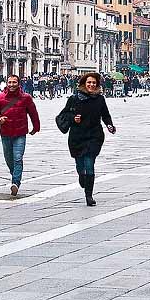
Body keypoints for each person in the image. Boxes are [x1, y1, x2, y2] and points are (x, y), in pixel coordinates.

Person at [57, 72, 116, 207]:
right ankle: (81, 174)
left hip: (94, 136)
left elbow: (105, 115)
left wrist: (109, 125)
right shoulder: (74, 98)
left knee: (90, 164)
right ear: (84, 83)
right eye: (89, 82)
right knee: (80, 164)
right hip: (77, 136)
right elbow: (64, 114)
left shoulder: (100, 99)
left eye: (94, 83)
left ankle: (89, 195)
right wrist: (73, 118)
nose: (91, 85)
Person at [0, 75, 41, 196]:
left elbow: (33, 113)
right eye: (10, 82)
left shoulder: (26, 98)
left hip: (20, 133)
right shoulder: (0, 97)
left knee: (18, 158)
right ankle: (15, 175)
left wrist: (36, 127)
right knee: (8, 159)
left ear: (18, 83)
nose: (11, 85)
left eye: (14, 82)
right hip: (5, 132)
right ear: (7, 83)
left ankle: (15, 182)